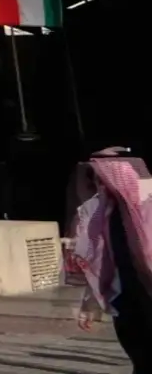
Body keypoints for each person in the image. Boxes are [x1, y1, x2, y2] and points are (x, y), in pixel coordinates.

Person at [70, 149, 152, 372]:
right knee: (139, 355)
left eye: (104, 175)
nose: (100, 182)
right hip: (125, 298)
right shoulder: (99, 212)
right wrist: (90, 304)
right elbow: (96, 260)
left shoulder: (148, 207)